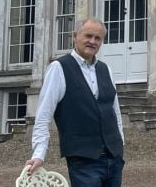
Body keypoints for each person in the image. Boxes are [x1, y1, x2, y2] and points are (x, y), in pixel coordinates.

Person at [25, 18, 125, 187]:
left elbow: (114, 112)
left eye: (98, 38)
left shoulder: (105, 69)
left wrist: (120, 144)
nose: (92, 41)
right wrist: (39, 154)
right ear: (75, 36)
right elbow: (44, 115)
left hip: (114, 159)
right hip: (83, 162)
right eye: (88, 36)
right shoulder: (59, 68)